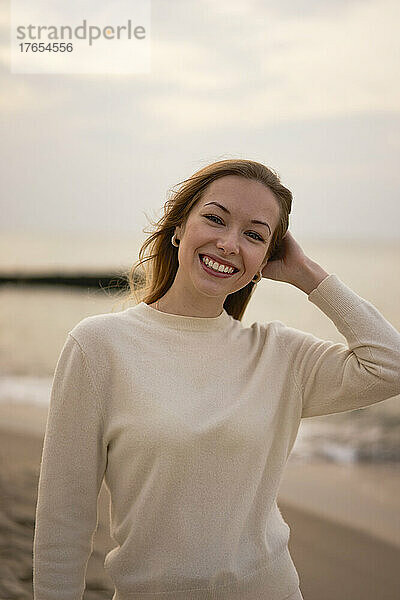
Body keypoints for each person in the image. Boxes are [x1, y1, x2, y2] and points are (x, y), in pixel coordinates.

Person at [33, 159, 400, 600]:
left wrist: (306, 274)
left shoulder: (280, 355)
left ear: (268, 258)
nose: (228, 244)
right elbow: (63, 520)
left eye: (254, 235)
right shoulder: (99, 346)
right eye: (215, 219)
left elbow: (389, 364)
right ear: (178, 228)